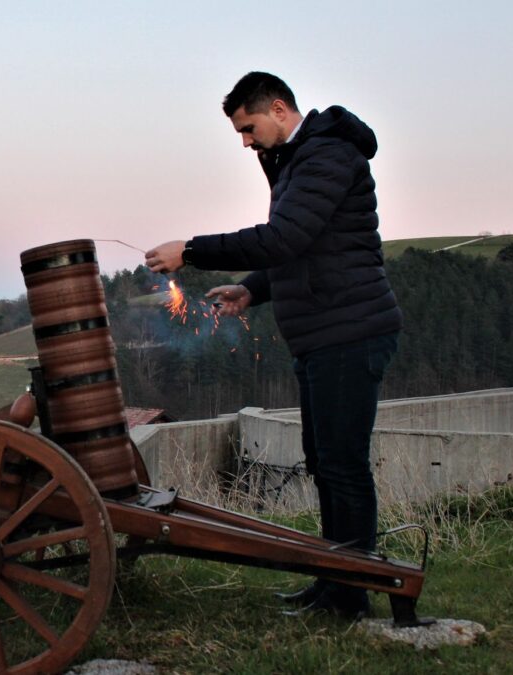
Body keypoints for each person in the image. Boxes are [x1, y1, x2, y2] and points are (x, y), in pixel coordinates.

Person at [145, 72, 402, 619]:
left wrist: (189, 250)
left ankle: (350, 593)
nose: (245, 141)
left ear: (279, 109)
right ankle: (335, 580)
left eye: (248, 128)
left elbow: (284, 237)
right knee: (325, 461)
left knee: (342, 464)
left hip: (349, 331)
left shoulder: (326, 155)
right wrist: (251, 288)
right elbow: (303, 249)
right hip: (322, 334)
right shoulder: (296, 162)